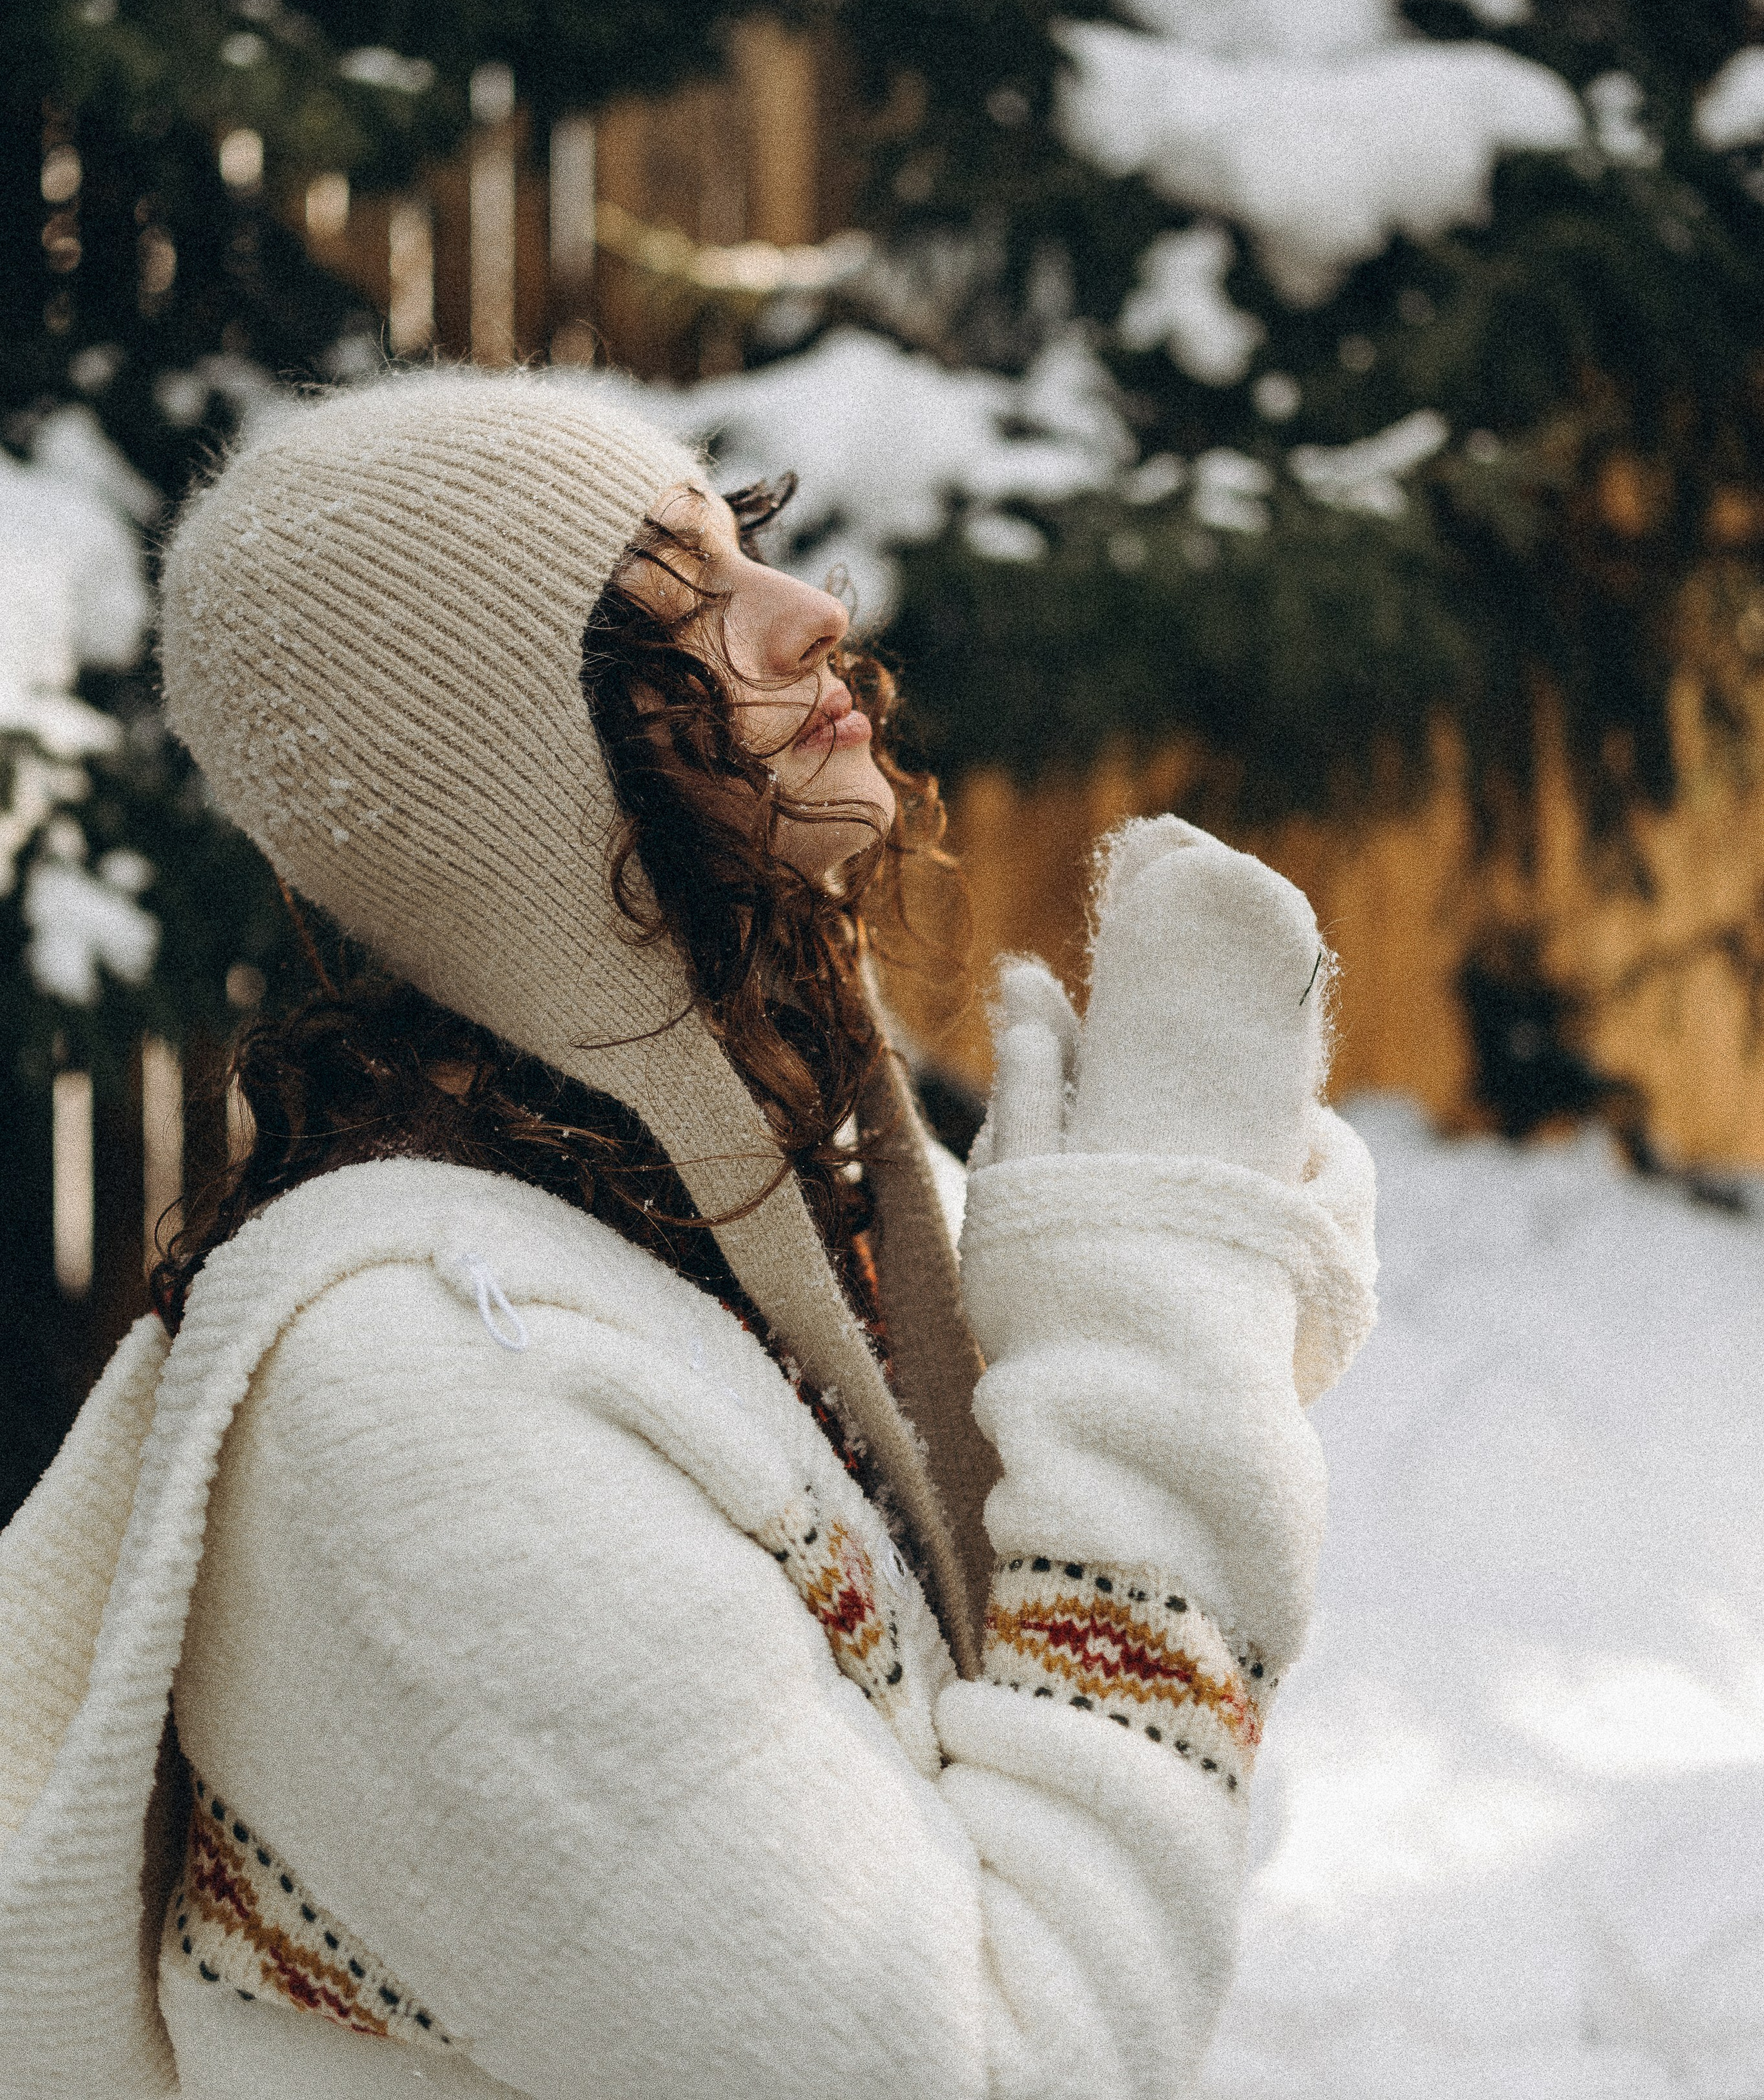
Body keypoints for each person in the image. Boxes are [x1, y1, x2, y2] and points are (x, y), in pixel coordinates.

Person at [0, 367, 1377, 2100]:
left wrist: (1179, 1242)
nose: (811, 612)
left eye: (748, 547)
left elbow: (1114, 1548)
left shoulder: (742, 1225)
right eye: (673, 602)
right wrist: (1163, 1301)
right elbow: (986, 2070)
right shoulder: (425, 1394)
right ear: (508, 772)